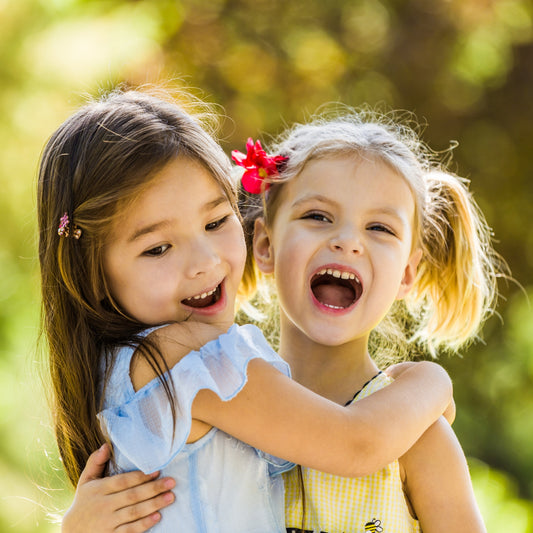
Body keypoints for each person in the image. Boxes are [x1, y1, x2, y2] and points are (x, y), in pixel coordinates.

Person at [39, 89, 453, 533]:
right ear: (92, 274)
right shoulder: (185, 354)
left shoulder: (119, 369)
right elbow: (358, 444)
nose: (205, 262)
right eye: (158, 248)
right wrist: (433, 380)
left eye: (216, 222)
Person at [234, 113, 502, 532]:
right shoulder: (228, 401)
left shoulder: (419, 440)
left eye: (379, 227)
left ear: (407, 274)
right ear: (265, 245)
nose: (347, 240)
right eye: (318, 216)